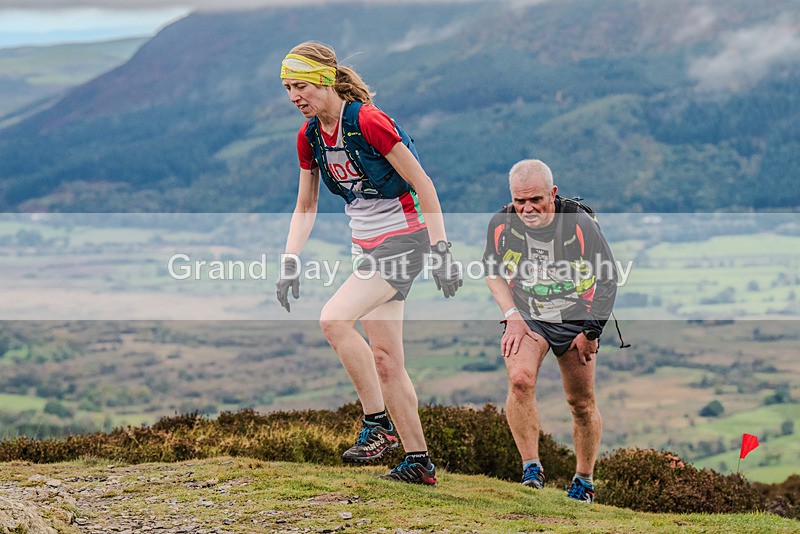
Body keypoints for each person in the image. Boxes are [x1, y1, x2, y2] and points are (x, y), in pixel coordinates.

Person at [275, 41, 461, 486]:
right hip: (366, 246)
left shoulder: (369, 122)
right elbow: (306, 206)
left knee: (334, 320)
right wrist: (289, 261)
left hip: (407, 239)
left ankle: (378, 424)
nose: (294, 96)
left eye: (300, 85)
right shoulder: (310, 137)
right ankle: (419, 462)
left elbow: (424, 185)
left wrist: (441, 251)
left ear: (324, 79)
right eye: (286, 88)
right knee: (386, 361)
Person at [482, 159, 617, 502]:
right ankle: (531, 468)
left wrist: (591, 331)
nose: (527, 209)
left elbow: (608, 278)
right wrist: (511, 314)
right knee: (520, 379)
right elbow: (492, 271)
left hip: (577, 317)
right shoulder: (502, 224)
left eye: (536, 200)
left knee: (581, 403)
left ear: (553, 194)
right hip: (529, 315)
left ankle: (583, 481)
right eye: (519, 200)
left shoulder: (578, 223)